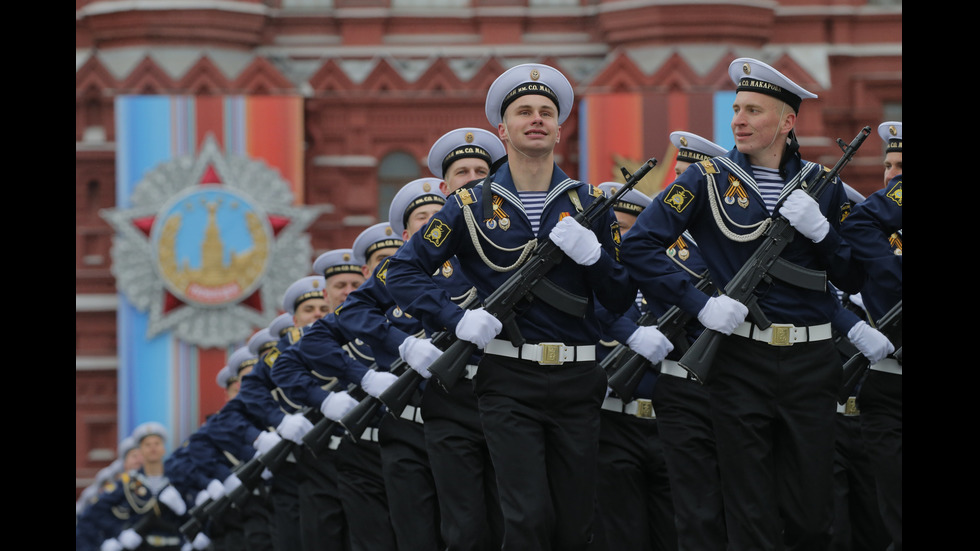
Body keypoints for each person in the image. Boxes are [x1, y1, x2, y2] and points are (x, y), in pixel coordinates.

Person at [620, 57, 893, 550]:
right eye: (737, 109)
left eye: (753, 110)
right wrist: (699, 305)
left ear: (787, 121)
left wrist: (824, 233)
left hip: (811, 363)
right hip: (740, 361)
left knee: (813, 514)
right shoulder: (706, 179)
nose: (739, 120)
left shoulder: (822, 186)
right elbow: (639, 244)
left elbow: (853, 274)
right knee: (750, 510)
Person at [385, 62, 635, 550]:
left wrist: (596, 257)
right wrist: (457, 319)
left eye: (546, 112)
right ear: (504, 130)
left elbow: (622, 295)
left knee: (575, 524)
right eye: (523, 112)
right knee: (526, 518)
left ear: (560, 129)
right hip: (508, 381)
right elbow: (402, 271)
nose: (536, 119)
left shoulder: (590, 203)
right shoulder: (468, 205)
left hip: (578, 376)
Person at [272, 226, 403, 551]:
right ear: (326, 293)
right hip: (348, 449)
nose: (347, 292)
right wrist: (325, 400)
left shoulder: (399, 317)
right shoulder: (323, 337)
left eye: (354, 286)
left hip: (406, 441)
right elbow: (284, 368)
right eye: (339, 287)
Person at [591, 181, 677, 551]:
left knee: (673, 534)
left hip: (667, 423)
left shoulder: (667, 279)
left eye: (624, 227)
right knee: (619, 535)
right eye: (609, 227)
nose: (616, 237)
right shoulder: (583, 282)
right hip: (610, 424)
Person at [839, 121, 902, 551]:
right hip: (889, 380)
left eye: (902, 165)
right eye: (888, 165)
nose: (892, 174)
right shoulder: (878, 236)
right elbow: (858, 224)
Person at [77, 422, 188, 551]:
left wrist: (183, 512)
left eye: (157, 444)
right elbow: (94, 512)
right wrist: (119, 533)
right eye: (147, 445)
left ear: (164, 448)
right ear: (141, 450)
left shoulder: (177, 479)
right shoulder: (128, 483)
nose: (153, 448)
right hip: (142, 546)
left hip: (174, 545)